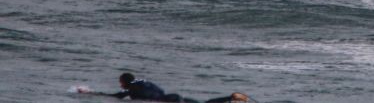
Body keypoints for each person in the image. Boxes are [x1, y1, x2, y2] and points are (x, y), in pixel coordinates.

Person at [79, 72, 248, 103]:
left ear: (124, 81)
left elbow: (115, 96)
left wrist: (90, 93)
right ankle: (231, 97)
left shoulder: (131, 88)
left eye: (120, 81)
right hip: (173, 96)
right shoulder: (142, 82)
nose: (120, 84)